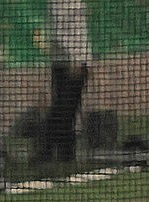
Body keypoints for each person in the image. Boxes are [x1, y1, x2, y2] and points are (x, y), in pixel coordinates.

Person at [41, 0, 92, 164]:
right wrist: (74, 59)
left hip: (74, 60)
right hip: (67, 63)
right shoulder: (60, 4)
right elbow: (60, 32)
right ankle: (48, 150)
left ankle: (65, 154)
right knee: (64, 108)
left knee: (69, 108)